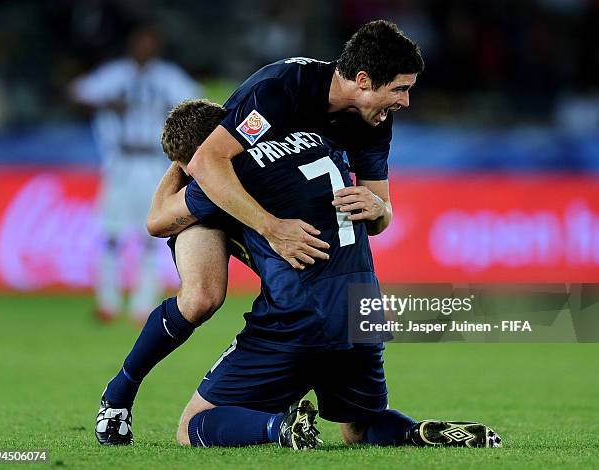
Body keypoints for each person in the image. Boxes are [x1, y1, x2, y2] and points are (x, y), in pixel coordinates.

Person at [94, 20, 423, 444]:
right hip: (350, 296)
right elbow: (209, 161)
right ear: (363, 80)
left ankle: (265, 421)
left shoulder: (374, 116)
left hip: (295, 288)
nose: (406, 101)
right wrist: (269, 225)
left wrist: (381, 209)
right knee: (203, 297)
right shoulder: (282, 88)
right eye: (400, 89)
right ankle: (121, 394)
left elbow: (157, 220)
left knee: (200, 306)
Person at [150, 100, 502, 450]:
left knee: (194, 425)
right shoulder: (318, 139)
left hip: (299, 317)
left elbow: (158, 221)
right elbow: (379, 217)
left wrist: (189, 163)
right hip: (362, 308)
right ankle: (415, 432)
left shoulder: (237, 171)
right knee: (360, 428)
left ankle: (280, 426)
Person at [69, 23, 203, 323]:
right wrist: (106, 102)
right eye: (139, 43)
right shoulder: (116, 75)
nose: (144, 48)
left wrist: (171, 112)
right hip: (120, 161)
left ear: (156, 47)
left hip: (155, 163)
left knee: (152, 235)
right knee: (111, 235)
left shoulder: (168, 77)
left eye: (149, 43)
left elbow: (198, 103)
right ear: (132, 46)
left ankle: (143, 305)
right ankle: (108, 302)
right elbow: (77, 93)